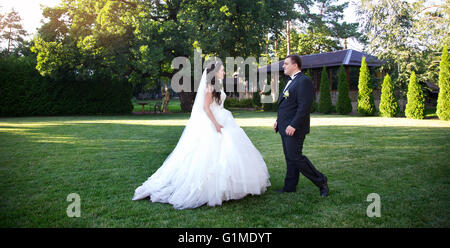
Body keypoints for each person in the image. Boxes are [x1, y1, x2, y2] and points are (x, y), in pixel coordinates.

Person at [132, 61, 270, 209]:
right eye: (222, 70)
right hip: (212, 121)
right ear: (215, 72)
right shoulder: (210, 86)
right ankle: (212, 187)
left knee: (230, 150)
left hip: (223, 118)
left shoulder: (217, 85)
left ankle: (231, 186)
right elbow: (206, 107)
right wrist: (216, 124)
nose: (224, 73)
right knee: (210, 153)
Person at [274, 54, 329, 197]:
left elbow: (304, 107)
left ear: (295, 65)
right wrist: (278, 121)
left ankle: (321, 180)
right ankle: (289, 186)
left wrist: (294, 125)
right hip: (284, 126)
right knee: (289, 157)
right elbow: (287, 105)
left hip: (294, 128)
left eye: (286, 64)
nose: (283, 66)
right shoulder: (290, 81)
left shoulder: (304, 81)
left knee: (295, 157)